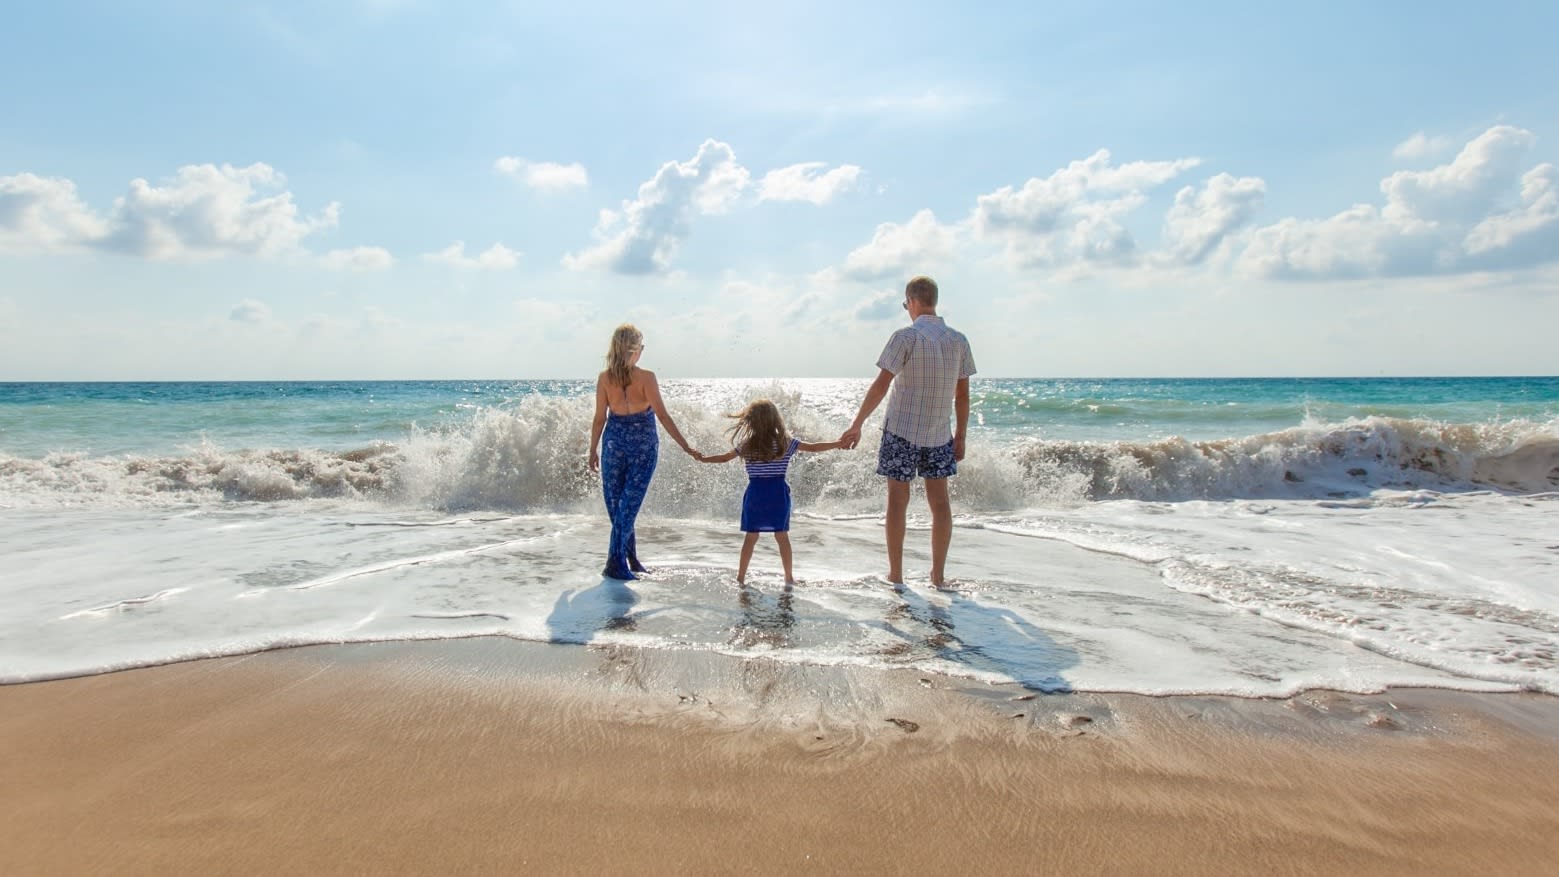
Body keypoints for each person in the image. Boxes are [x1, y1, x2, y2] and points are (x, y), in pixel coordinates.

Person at [839, 275, 976, 587]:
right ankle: (937, 576)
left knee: (897, 502)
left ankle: (896, 575)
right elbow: (963, 396)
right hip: (940, 434)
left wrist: (857, 423)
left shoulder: (905, 337)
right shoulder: (959, 340)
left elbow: (881, 385)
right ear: (934, 301)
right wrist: (962, 436)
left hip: (901, 431)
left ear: (912, 301)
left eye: (906, 304)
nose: (907, 309)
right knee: (940, 504)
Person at [587, 324, 697, 581]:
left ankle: (630, 559)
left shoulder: (605, 378)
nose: (643, 351)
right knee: (624, 507)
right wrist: (685, 446)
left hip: (614, 444)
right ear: (633, 350)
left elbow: (599, 420)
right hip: (641, 446)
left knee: (621, 506)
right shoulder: (646, 377)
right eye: (641, 346)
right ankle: (615, 562)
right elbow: (662, 415)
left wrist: (593, 449)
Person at [695, 399, 844, 585]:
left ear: (751, 421)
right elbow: (813, 447)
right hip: (777, 495)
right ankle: (789, 577)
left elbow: (725, 458)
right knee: (782, 537)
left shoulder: (747, 444)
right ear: (775, 420)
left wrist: (703, 459)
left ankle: (741, 577)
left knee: (751, 537)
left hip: (756, 494)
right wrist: (838, 443)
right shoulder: (785, 443)